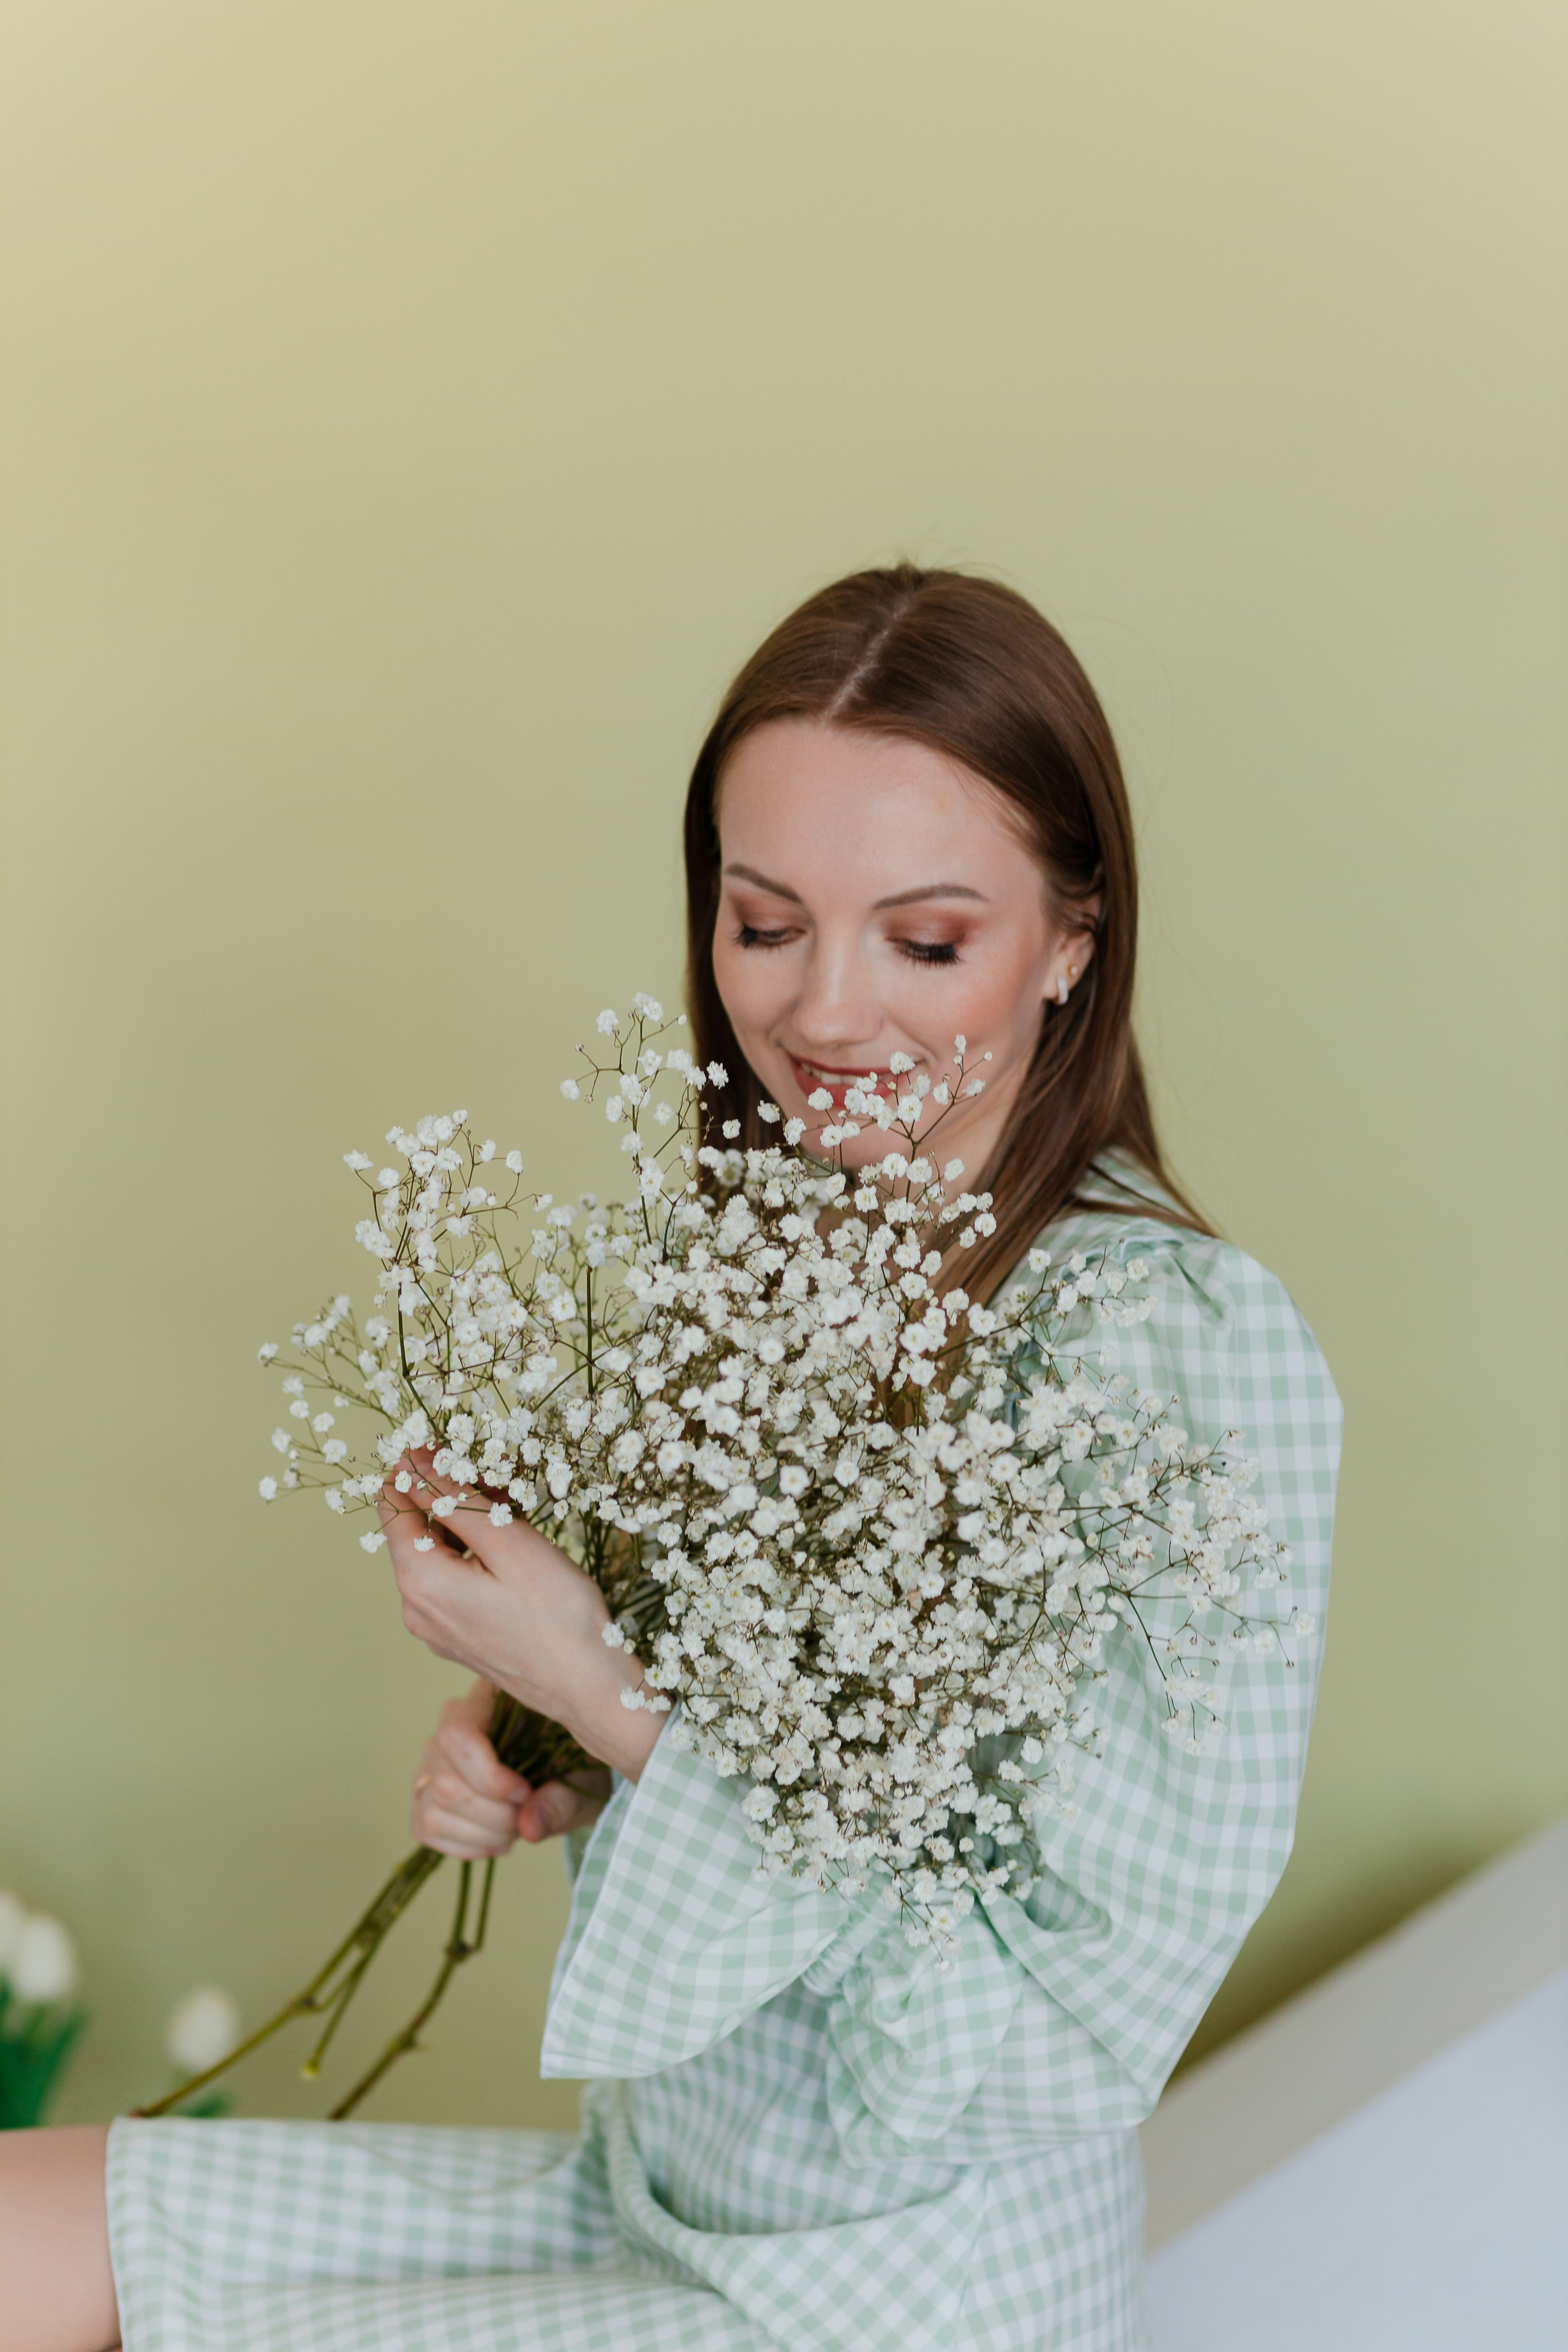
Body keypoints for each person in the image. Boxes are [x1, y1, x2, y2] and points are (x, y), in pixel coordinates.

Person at [0, 567, 1341, 2352]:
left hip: (889, 2301)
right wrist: (557, 1756)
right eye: (765, 922)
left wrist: (616, 1695)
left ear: (1075, 940)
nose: (827, 1015)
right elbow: (792, 1780)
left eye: (926, 941)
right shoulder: (780, 1255)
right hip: (653, 2204)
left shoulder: (1170, 1353)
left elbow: (1061, 2030)